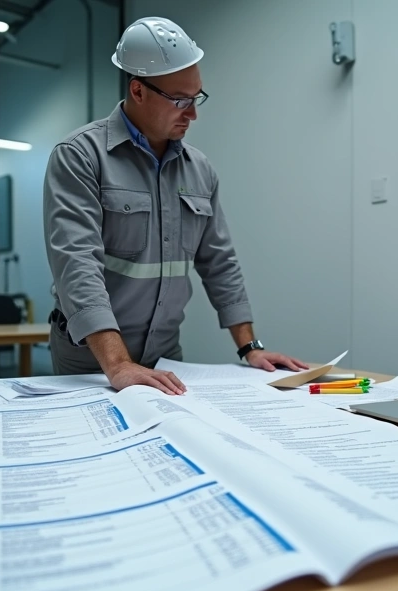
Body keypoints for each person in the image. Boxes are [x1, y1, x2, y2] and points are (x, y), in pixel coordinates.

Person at [43, 16, 306, 395]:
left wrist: (249, 347)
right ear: (138, 91)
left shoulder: (199, 170)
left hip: (165, 359)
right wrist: (117, 365)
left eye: (197, 97)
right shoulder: (80, 156)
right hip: (92, 361)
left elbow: (220, 263)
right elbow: (76, 265)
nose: (193, 113)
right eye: (181, 101)